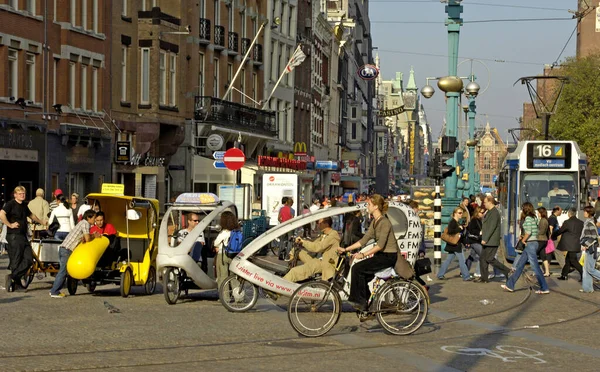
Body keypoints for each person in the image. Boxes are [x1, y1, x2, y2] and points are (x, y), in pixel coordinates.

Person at [337, 194, 404, 312]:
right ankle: (367, 302)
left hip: (388, 256)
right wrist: (346, 249)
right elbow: (363, 240)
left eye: (369, 204)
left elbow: (380, 245)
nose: (367, 206)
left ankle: (359, 302)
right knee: (361, 274)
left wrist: (363, 255)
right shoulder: (375, 222)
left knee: (357, 268)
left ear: (376, 207)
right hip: (382, 255)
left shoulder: (384, 222)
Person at [0, 186, 46, 292]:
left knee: (29, 259)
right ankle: (15, 285)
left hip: (23, 236)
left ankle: (13, 277)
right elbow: (1, 214)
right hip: (14, 236)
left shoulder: (24, 205)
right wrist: (9, 224)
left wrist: (42, 222)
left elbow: (32, 215)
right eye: (20, 193)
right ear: (15, 194)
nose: (22, 195)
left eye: (24, 193)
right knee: (16, 260)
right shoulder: (11, 204)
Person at [502, 202, 549, 294]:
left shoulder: (528, 218)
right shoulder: (535, 218)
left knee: (535, 267)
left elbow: (529, 231)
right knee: (520, 265)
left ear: (525, 209)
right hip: (533, 243)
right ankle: (510, 285)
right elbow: (535, 230)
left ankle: (544, 287)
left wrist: (523, 240)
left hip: (530, 243)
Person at [49, 210, 96, 298]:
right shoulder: (85, 223)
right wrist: (94, 235)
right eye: (94, 218)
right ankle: (54, 291)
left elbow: (83, 238)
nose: (95, 220)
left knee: (63, 270)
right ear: (89, 218)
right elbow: (88, 238)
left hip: (64, 248)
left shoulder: (81, 223)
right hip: (67, 250)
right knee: (63, 271)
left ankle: (54, 290)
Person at [283, 217, 341, 282]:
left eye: (318, 223)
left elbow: (317, 247)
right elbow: (313, 244)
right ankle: (291, 269)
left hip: (325, 262)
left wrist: (303, 242)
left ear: (326, 224)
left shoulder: (332, 235)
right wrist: (301, 242)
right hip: (317, 259)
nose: (317, 225)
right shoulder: (324, 234)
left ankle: (281, 286)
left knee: (294, 272)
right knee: (295, 250)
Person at [477, 195, 511, 283]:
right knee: (482, 258)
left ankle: (507, 271)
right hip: (488, 239)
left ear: (490, 202)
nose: (483, 204)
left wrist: (485, 238)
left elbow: (492, 227)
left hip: (491, 240)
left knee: (489, 258)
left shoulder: (494, 212)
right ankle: (484, 278)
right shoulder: (489, 212)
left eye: (485, 202)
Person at [437, 207, 471, 281]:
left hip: (453, 245)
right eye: (459, 213)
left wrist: (465, 243)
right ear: (454, 213)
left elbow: (460, 236)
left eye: (461, 213)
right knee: (462, 261)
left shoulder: (458, 222)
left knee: (448, 260)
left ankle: (440, 274)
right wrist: (459, 228)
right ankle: (466, 276)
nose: (461, 214)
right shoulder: (453, 222)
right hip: (455, 245)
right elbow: (450, 231)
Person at [552, 207, 584, 281]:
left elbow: (560, 231)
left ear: (569, 214)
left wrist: (553, 235)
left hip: (569, 245)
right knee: (568, 260)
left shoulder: (567, 222)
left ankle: (583, 273)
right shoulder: (581, 222)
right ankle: (564, 275)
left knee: (573, 261)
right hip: (576, 243)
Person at [214, 211, 238, 288]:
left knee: (223, 277)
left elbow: (216, 243)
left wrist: (217, 246)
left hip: (223, 255)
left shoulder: (224, 232)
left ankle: (225, 297)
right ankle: (238, 296)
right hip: (234, 255)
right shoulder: (237, 232)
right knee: (233, 277)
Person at [580, 206, 600, 293]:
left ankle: (587, 288)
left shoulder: (589, 223)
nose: (583, 213)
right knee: (586, 269)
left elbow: (593, 237)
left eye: (585, 211)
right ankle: (587, 288)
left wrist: (586, 245)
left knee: (590, 269)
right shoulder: (588, 222)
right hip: (590, 248)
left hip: (591, 249)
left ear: (588, 213)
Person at [465, 206, 484, 277]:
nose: (482, 214)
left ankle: (464, 271)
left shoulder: (479, 220)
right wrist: (479, 232)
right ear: (477, 212)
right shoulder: (474, 220)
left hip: (476, 240)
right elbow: (471, 230)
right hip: (474, 241)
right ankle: (478, 272)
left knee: (472, 256)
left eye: (483, 212)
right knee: (482, 255)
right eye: (481, 212)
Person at [536, 207, 551, 277]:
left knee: (533, 254)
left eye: (538, 212)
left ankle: (537, 271)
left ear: (541, 213)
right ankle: (547, 272)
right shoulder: (544, 220)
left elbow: (541, 231)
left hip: (541, 240)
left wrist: (535, 233)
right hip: (544, 240)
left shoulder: (543, 221)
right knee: (543, 256)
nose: (537, 214)